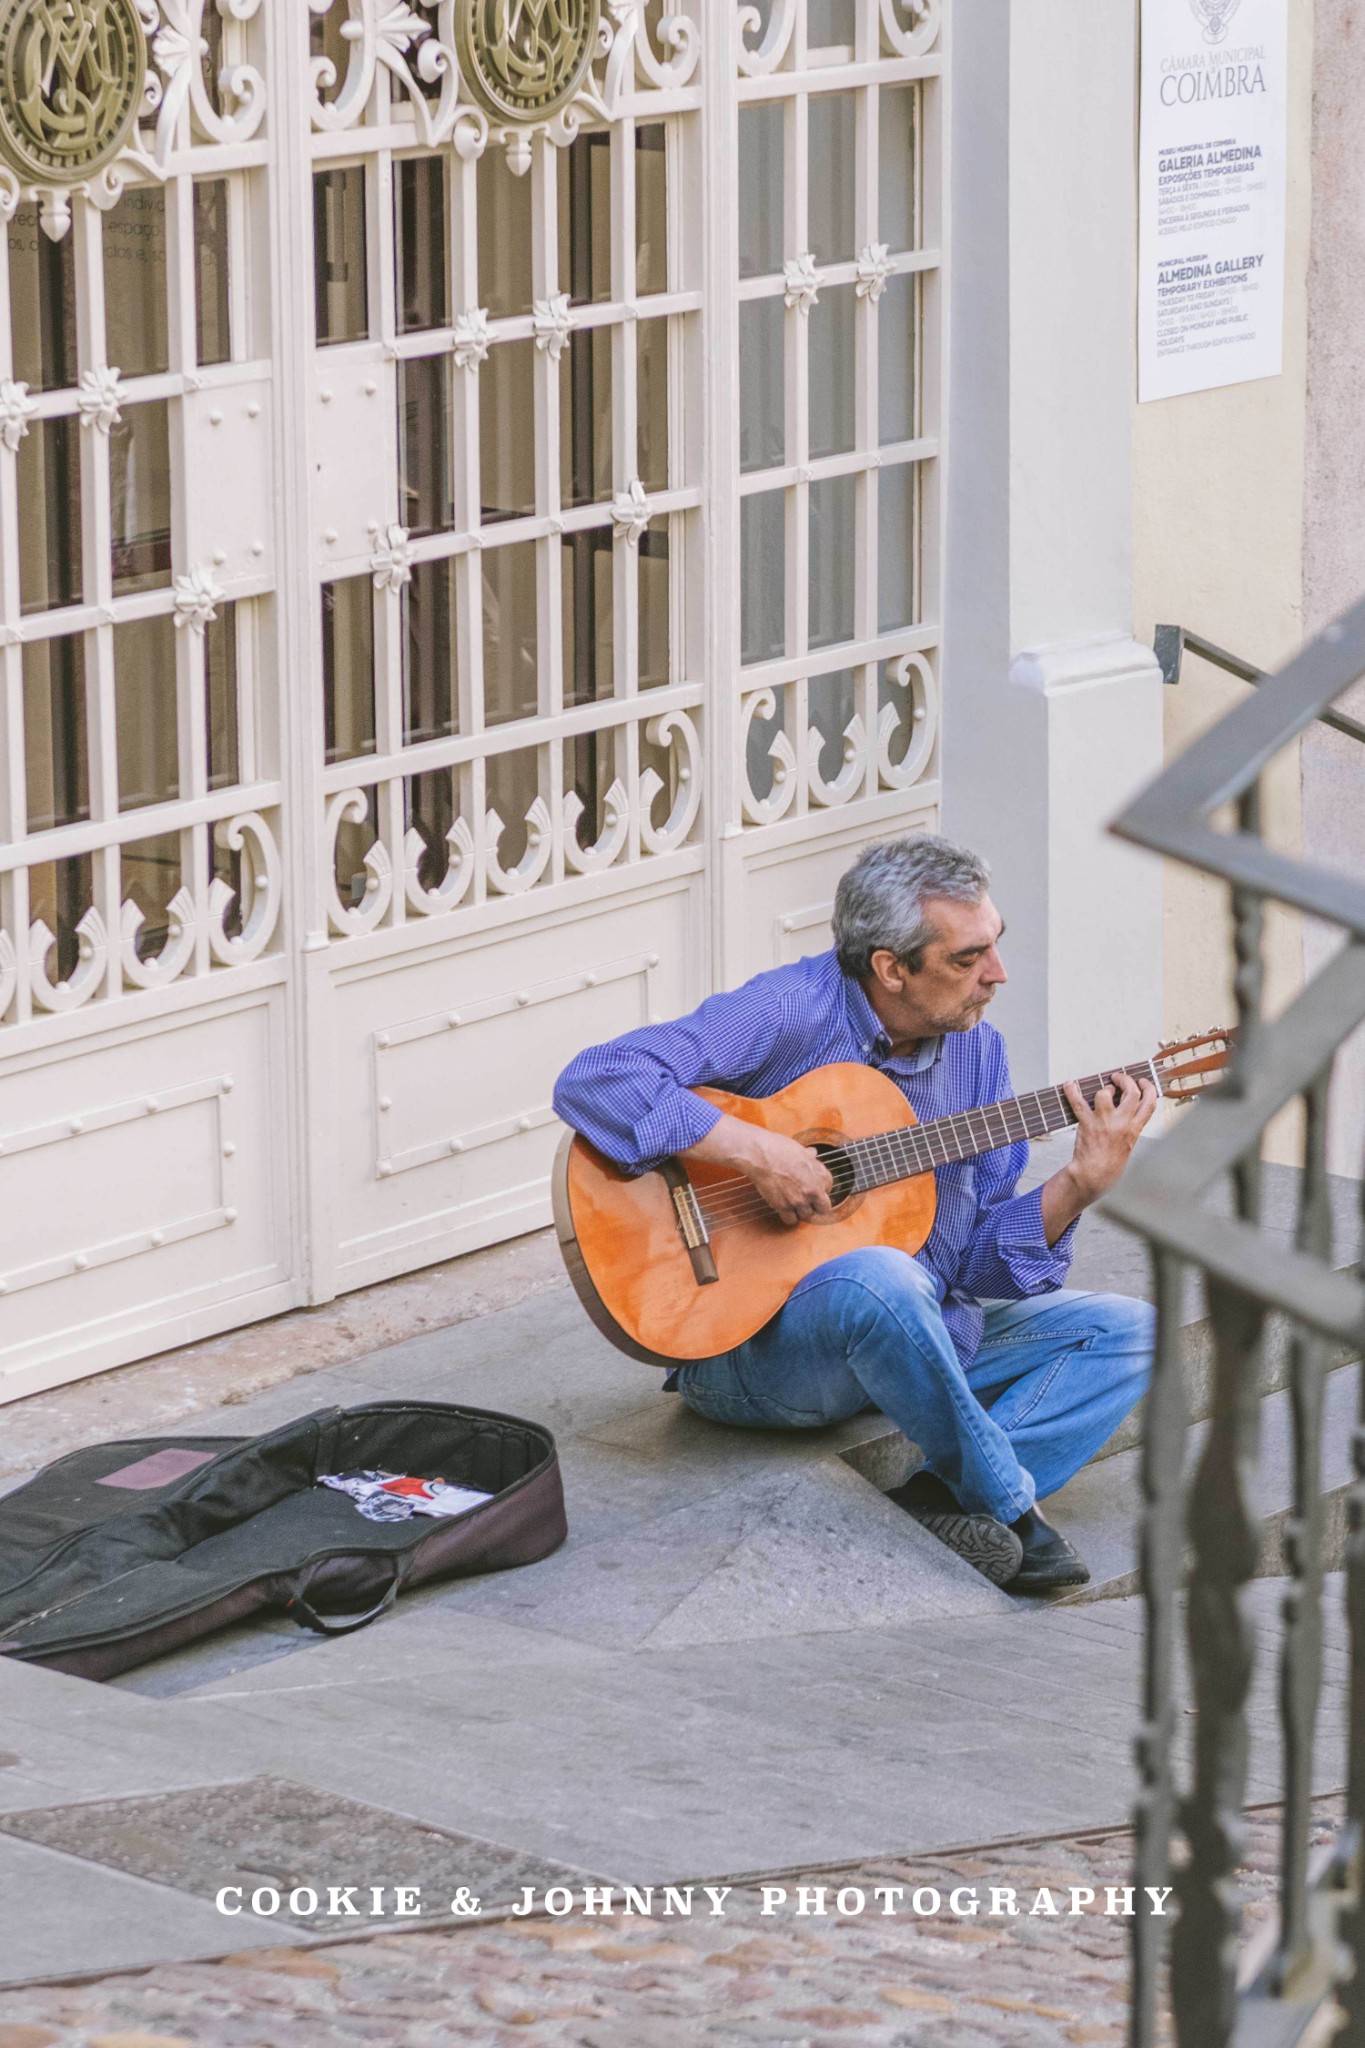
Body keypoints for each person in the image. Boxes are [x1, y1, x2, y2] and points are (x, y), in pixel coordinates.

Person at [553, 834, 1158, 1594]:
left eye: (995, 948)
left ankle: (938, 1498)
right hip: (752, 1353)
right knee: (882, 1276)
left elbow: (973, 1265)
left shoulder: (978, 1055)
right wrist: (755, 1152)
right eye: (966, 959)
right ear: (890, 968)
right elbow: (598, 1078)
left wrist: (1078, 1183)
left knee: (1131, 1333)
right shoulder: (787, 1011)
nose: (996, 976)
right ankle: (1012, 1514)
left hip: (918, 1332)